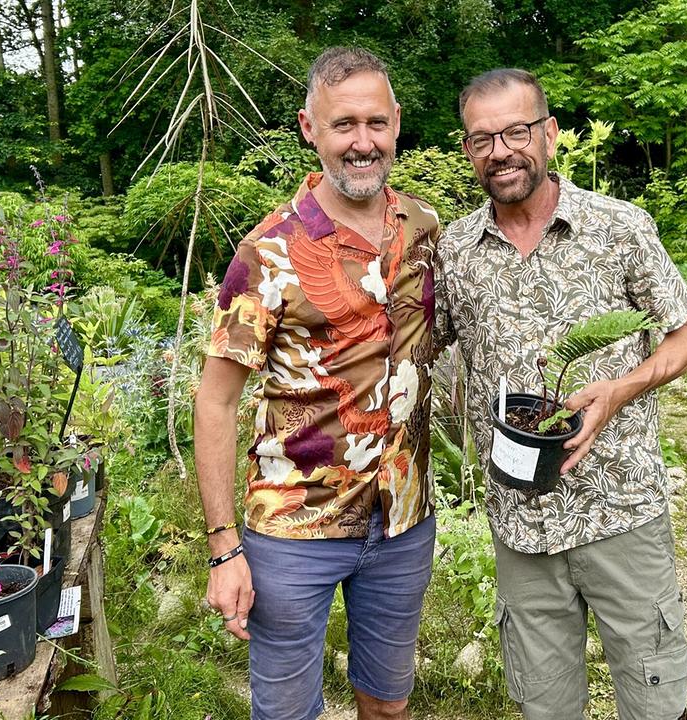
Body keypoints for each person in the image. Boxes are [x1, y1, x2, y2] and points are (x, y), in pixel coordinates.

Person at [434, 68, 687, 720]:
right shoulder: (456, 251)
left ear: (550, 134)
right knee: (545, 705)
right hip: (520, 521)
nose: (500, 151)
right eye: (481, 139)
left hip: (620, 509)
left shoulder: (618, 228)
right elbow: (415, 345)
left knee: (654, 698)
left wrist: (623, 388)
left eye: (516, 132)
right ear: (468, 150)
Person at [195, 46, 441, 720]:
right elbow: (215, 400)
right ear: (309, 128)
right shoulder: (267, 252)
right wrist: (223, 549)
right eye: (343, 125)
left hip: (403, 520)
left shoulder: (424, 229)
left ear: (396, 122)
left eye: (376, 123)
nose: (363, 142)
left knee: (387, 704)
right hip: (292, 529)